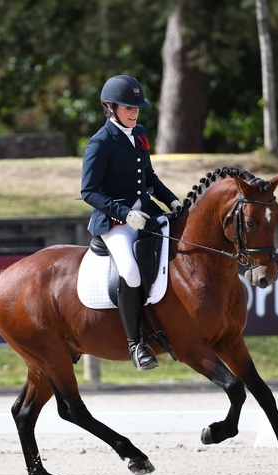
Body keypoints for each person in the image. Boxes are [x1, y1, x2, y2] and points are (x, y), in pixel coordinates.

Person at [79, 74, 183, 371]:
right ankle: (136, 345)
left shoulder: (139, 133)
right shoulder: (100, 143)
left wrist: (171, 200)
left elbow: (148, 177)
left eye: (137, 107)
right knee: (131, 273)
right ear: (110, 107)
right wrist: (124, 214)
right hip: (115, 224)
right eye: (128, 107)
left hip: (147, 213)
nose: (134, 112)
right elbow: (89, 192)